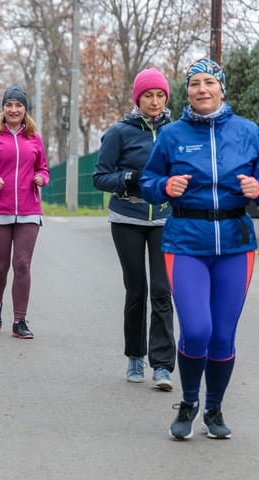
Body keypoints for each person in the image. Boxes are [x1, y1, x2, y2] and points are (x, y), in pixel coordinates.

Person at [140, 58, 259, 440]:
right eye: (194, 83)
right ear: (187, 91)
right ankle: (188, 402)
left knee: (222, 336)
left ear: (222, 88)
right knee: (197, 329)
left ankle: (214, 409)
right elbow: (149, 181)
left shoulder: (247, 131)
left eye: (209, 83)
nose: (202, 89)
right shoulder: (172, 135)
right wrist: (165, 187)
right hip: (186, 241)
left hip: (236, 243)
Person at [92, 68, 176, 390]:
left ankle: (163, 366)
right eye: (148, 96)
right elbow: (100, 177)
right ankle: (135, 357)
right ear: (137, 98)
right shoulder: (119, 132)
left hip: (166, 220)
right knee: (136, 289)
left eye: (160, 96)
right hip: (127, 218)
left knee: (162, 290)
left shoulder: (175, 132)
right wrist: (125, 179)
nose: (154, 102)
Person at [0, 84, 49, 340]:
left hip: (28, 209)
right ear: (3, 108)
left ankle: (20, 320)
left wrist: (41, 178)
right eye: (9, 105)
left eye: (19, 105)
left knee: (22, 264)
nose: (14, 109)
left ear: (26, 110)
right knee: (0, 266)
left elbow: (44, 168)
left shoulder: (34, 137)